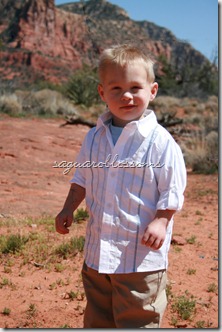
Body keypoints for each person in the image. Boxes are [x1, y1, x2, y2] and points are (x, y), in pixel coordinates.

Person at [55, 44, 187, 328]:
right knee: (98, 318)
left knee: (137, 320)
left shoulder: (160, 143)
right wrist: (68, 207)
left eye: (135, 88)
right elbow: (81, 179)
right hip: (98, 254)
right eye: (116, 88)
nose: (126, 95)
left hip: (140, 258)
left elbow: (173, 189)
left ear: (152, 91)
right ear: (102, 93)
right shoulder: (94, 138)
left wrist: (162, 221)